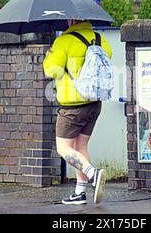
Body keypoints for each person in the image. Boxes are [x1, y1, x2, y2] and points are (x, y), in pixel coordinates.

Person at [43, 20, 112, 205]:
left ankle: (93, 175)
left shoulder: (64, 41)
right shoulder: (99, 38)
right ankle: (80, 193)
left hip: (72, 107)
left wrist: (49, 55)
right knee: (80, 148)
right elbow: (108, 58)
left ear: (71, 20)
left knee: (63, 148)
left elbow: (52, 71)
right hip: (94, 103)